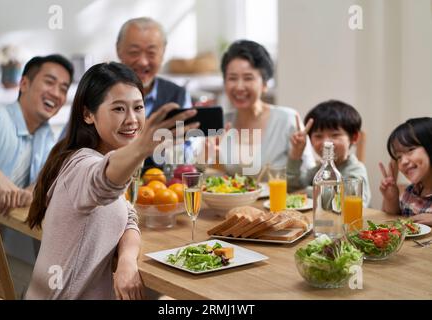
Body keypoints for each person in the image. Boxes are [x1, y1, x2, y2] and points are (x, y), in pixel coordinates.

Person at [25, 62, 198, 299]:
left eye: (138, 107)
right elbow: (102, 183)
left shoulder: (91, 156)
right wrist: (141, 148)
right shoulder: (82, 166)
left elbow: (128, 216)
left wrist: (126, 260)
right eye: (118, 109)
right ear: (88, 114)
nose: (132, 120)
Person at [207, 39, 315, 178]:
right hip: (233, 200)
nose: (239, 87)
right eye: (232, 78)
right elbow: (208, 180)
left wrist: (296, 155)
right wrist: (207, 159)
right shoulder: (219, 122)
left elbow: (308, 179)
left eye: (248, 78)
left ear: (264, 84)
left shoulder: (287, 120)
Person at [0, 54, 73, 214]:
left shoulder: (47, 137)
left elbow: (41, 181)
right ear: (24, 83)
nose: (56, 94)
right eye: (49, 82)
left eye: (63, 89)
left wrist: (31, 192)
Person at [287, 100, 371, 207]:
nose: (326, 143)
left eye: (335, 135)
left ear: (354, 137)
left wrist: (308, 191)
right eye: (318, 136)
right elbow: (293, 189)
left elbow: (348, 202)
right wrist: (296, 153)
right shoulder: (318, 171)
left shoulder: (356, 170)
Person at [379, 117, 432, 225]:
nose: (403, 161)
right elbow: (397, 221)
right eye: (398, 157)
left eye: (410, 150)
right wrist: (391, 199)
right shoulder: (410, 192)